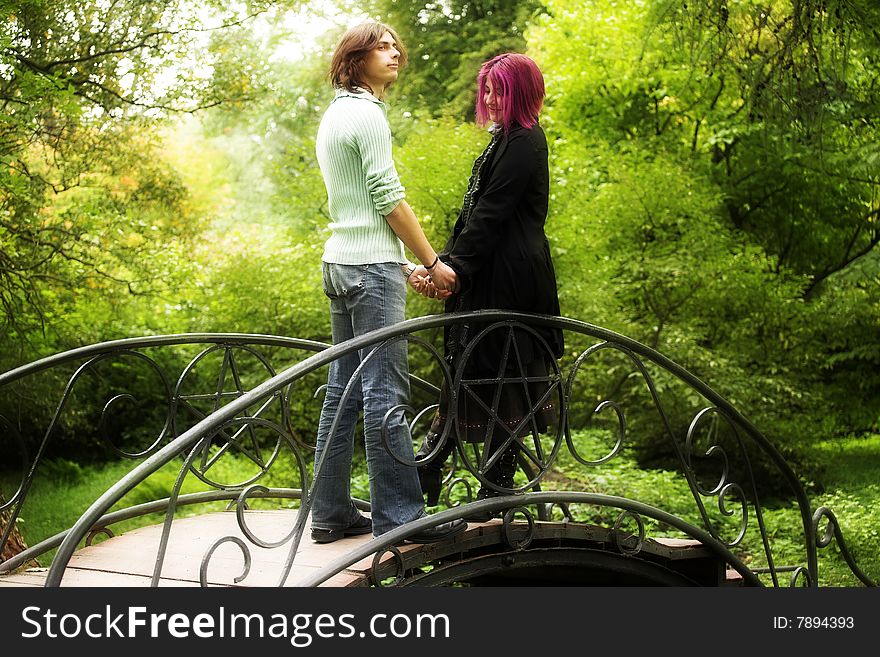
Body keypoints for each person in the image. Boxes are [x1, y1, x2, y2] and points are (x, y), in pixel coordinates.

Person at [310, 21, 466, 543]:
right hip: (368, 270)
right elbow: (386, 198)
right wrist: (431, 260)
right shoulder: (369, 116)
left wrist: (398, 263)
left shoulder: (335, 114)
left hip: (341, 263)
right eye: (381, 46)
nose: (395, 51)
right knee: (384, 394)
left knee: (342, 392)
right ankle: (402, 517)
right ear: (356, 58)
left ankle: (330, 513)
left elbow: (353, 208)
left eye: (396, 44)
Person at [411, 53, 564, 518]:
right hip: (486, 276)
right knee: (467, 368)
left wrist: (453, 268)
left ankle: (491, 490)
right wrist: (442, 264)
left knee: (503, 374)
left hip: (511, 284)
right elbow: (473, 216)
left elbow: (493, 214)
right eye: (487, 91)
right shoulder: (504, 142)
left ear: (520, 92)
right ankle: (433, 473)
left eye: (499, 90)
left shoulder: (526, 142)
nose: (491, 99)